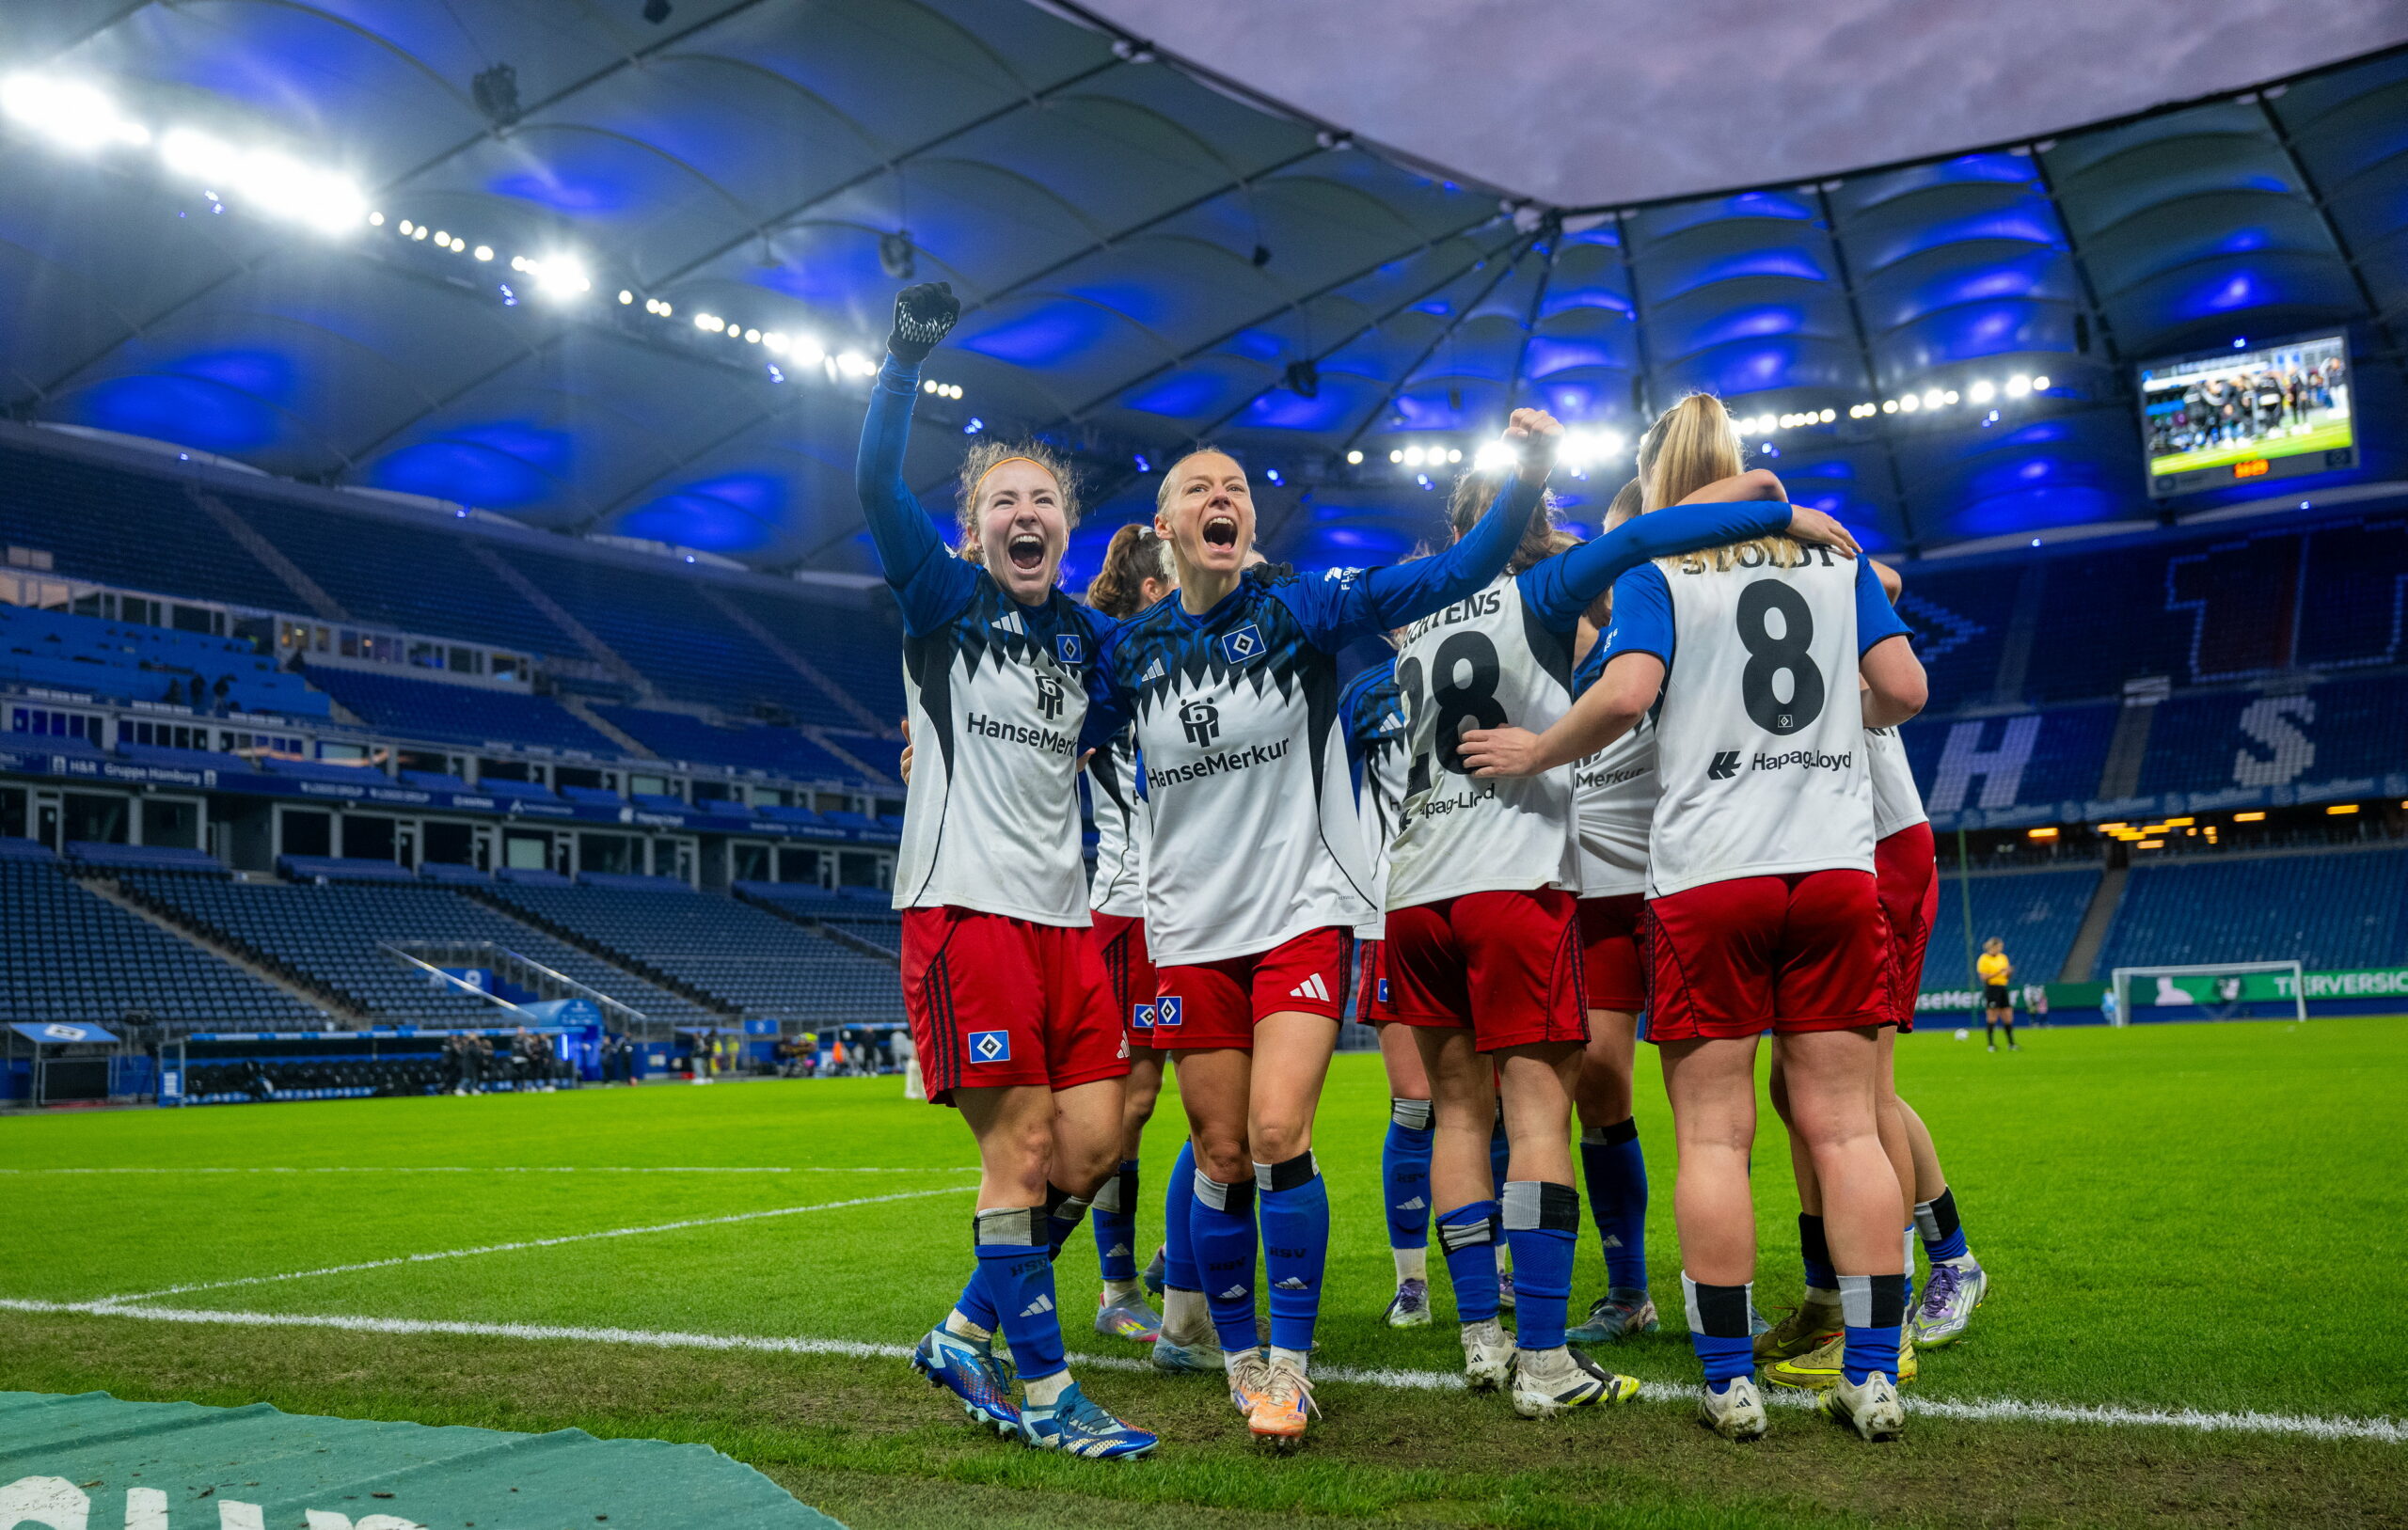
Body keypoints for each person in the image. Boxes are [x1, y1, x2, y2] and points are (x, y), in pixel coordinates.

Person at [1459, 391, 1926, 1443]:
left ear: (1656, 482)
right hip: (1835, 871)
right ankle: (1871, 1371)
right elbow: (1904, 687)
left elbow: (1625, 696)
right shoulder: (1834, 557)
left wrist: (1537, 749)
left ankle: (1726, 1376)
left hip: (1713, 876)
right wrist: (1819, 735)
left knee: (1715, 1133)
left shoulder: (1652, 567)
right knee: (1847, 1127)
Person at [1094, 410, 1566, 1446]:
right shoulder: (1129, 652)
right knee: (1216, 1152)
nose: (1223, 498)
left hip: (1299, 918)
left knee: (1274, 1134)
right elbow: (1052, 736)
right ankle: (1236, 1353)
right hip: (1186, 933)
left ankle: (1292, 1367)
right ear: (1165, 525)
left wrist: (1526, 477)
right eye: (1200, 488)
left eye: (1237, 488)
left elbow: (1454, 572)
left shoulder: (1303, 608)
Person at [1382, 451, 1861, 1419]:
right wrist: (1775, 519)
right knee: (1569, 1103)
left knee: (1468, 1113)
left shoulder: (1414, 619)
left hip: (1426, 885)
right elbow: (1689, 520)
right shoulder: (1562, 593)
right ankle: (1565, 1340)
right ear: (1527, 530)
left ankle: (1496, 1330)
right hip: (1541, 878)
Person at [857, 280, 1152, 1459]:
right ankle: (1047, 1396)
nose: (1024, 514)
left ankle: (962, 1333)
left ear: (1066, 531)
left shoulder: (1087, 642)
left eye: (1042, 501)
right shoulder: (941, 600)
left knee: (1094, 1142)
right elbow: (876, 488)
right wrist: (903, 359)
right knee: (1020, 1152)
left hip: (1066, 924)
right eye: (1001, 501)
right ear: (974, 527)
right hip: (965, 912)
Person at [1758, 561, 1989, 1392]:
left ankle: (1918, 1287)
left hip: (1876, 844)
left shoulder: (1772, 565)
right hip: (1831, 844)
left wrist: (1787, 537)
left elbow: (1879, 574)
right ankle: (1834, 1297)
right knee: (1801, 1091)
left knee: (1856, 1096)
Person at [1080, 525, 1178, 1347]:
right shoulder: (1109, 686)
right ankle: (1115, 1287)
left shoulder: (1201, 667)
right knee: (1131, 1105)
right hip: (1129, 912)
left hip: (1207, 914)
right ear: (1155, 592)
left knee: (1248, 1108)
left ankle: (1180, 1252)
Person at [1339, 649, 1442, 1329]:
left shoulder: (1489, 663)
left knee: (1489, 1101)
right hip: (1392, 903)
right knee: (1416, 1101)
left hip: (1476, 886)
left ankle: (1494, 1265)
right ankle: (1412, 1283)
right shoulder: (1367, 695)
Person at [1979, 938, 2017, 1051]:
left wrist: (2008, 972)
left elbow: (2006, 976)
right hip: (1992, 988)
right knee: (1992, 1015)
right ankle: (1991, 1044)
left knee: (2008, 1015)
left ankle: (2011, 1044)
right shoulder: (1984, 959)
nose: (2000, 949)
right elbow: (1983, 977)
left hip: (2002, 987)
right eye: (1998, 947)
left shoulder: (2003, 958)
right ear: (1992, 947)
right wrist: (1998, 972)